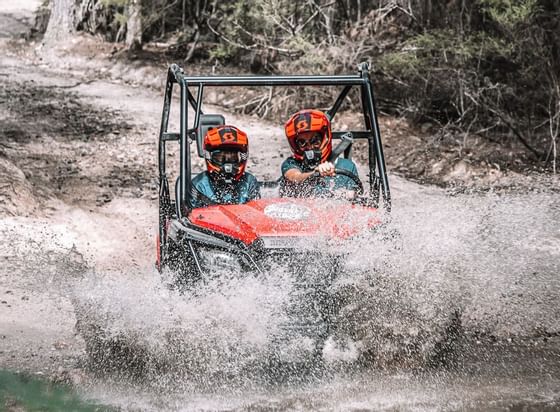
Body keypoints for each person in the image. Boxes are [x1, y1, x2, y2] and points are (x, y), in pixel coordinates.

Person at [280, 109, 360, 198]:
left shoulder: (346, 166)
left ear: (324, 139)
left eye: (314, 141)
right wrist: (315, 173)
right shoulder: (291, 163)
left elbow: (355, 198)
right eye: (302, 143)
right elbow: (294, 177)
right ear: (296, 146)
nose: (309, 147)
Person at [191, 125, 260, 208]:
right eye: (221, 157)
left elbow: (255, 214)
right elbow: (193, 217)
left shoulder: (249, 182)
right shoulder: (199, 185)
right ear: (209, 156)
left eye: (232, 157)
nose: (227, 164)